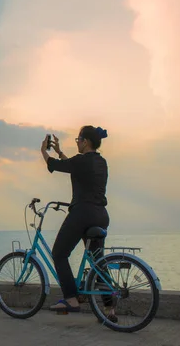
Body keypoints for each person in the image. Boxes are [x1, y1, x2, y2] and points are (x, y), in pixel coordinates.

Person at [40, 125, 110, 313]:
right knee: (97, 262)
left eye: (78, 140)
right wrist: (59, 151)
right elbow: (73, 166)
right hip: (101, 215)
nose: (77, 143)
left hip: (82, 213)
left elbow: (56, 165)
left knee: (59, 254)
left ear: (85, 142)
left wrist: (44, 152)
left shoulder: (81, 161)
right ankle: (110, 309)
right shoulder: (101, 162)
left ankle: (71, 299)